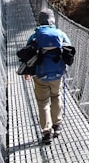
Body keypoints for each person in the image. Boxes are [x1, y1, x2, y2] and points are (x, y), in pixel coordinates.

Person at [25, 9, 72, 145]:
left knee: (43, 102)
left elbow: (28, 54)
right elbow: (69, 50)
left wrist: (27, 71)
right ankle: (57, 125)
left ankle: (47, 133)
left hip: (40, 75)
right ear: (52, 20)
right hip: (57, 74)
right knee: (56, 96)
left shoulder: (35, 36)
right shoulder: (60, 34)